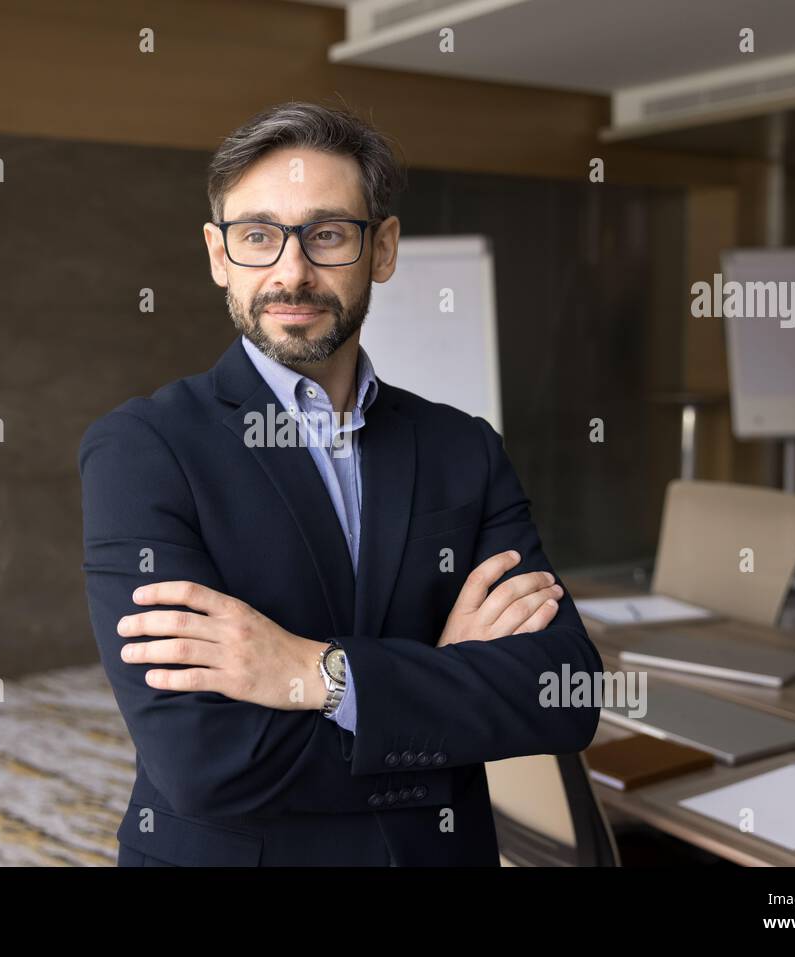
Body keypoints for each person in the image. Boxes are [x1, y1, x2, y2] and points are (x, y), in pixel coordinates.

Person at [77, 100, 602, 866]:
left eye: (327, 235)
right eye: (258, 236)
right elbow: (202, 758)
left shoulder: (464, 448)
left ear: (382, 248)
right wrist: (443, 695)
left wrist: (312, 673)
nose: (291, 272)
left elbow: (565, 692)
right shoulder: (142, 449)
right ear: (219, 254)